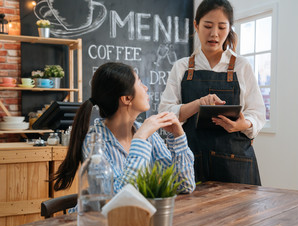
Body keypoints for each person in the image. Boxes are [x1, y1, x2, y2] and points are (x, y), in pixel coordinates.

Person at [159, 0, 266, 185]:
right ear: (196, 25)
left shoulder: (241, 66)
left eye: (222, 27)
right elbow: (165, 114)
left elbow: (257, 113)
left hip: (235, 164)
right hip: (191, 162)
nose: (214, 34)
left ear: (229, 28)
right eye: (207, 26)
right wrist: (198, 104)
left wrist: (242, 124)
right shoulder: (182, 67)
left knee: (240, 214)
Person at [52, 62, 196, 194]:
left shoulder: (148, 134)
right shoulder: (94, 142)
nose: (146, 88)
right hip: (103, 220)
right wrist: (140, 139)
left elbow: (184, 186)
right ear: (126, 99)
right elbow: (117, 198)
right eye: (140, 83)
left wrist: (178, 137)